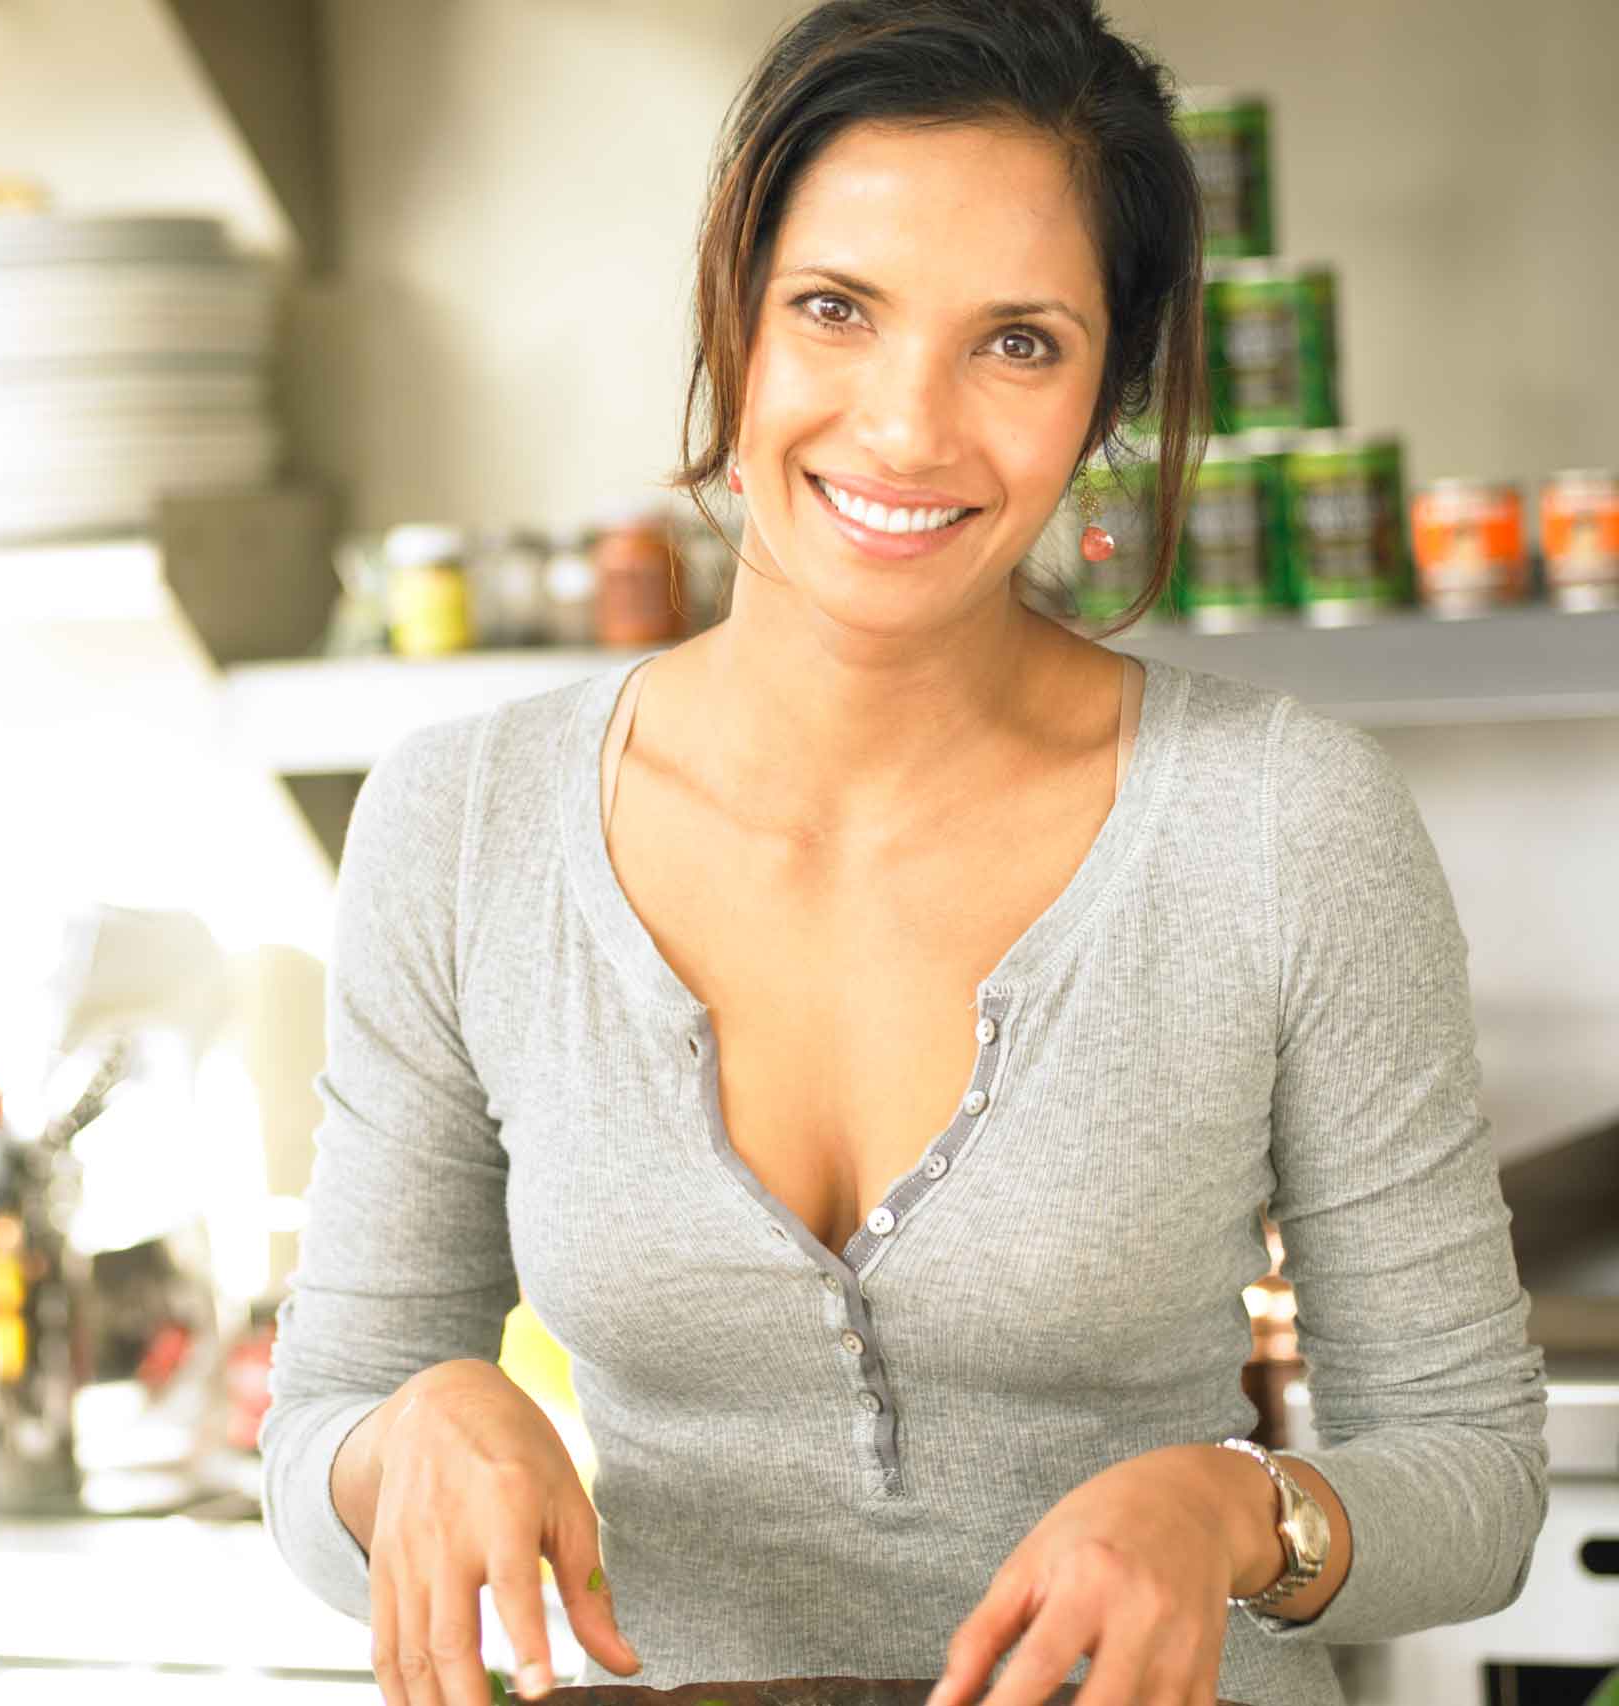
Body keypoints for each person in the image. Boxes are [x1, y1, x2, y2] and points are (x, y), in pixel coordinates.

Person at [259, 2, 1551, 1704]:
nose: (907, 426)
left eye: (1017, 342)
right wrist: (410, 1431)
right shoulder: (460, 824)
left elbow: (1475, 1469)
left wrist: (1236, 1512)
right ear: (735, 314)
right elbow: (319, 1443)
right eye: (836, 308)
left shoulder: (1282, 822)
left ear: (1107, 397)